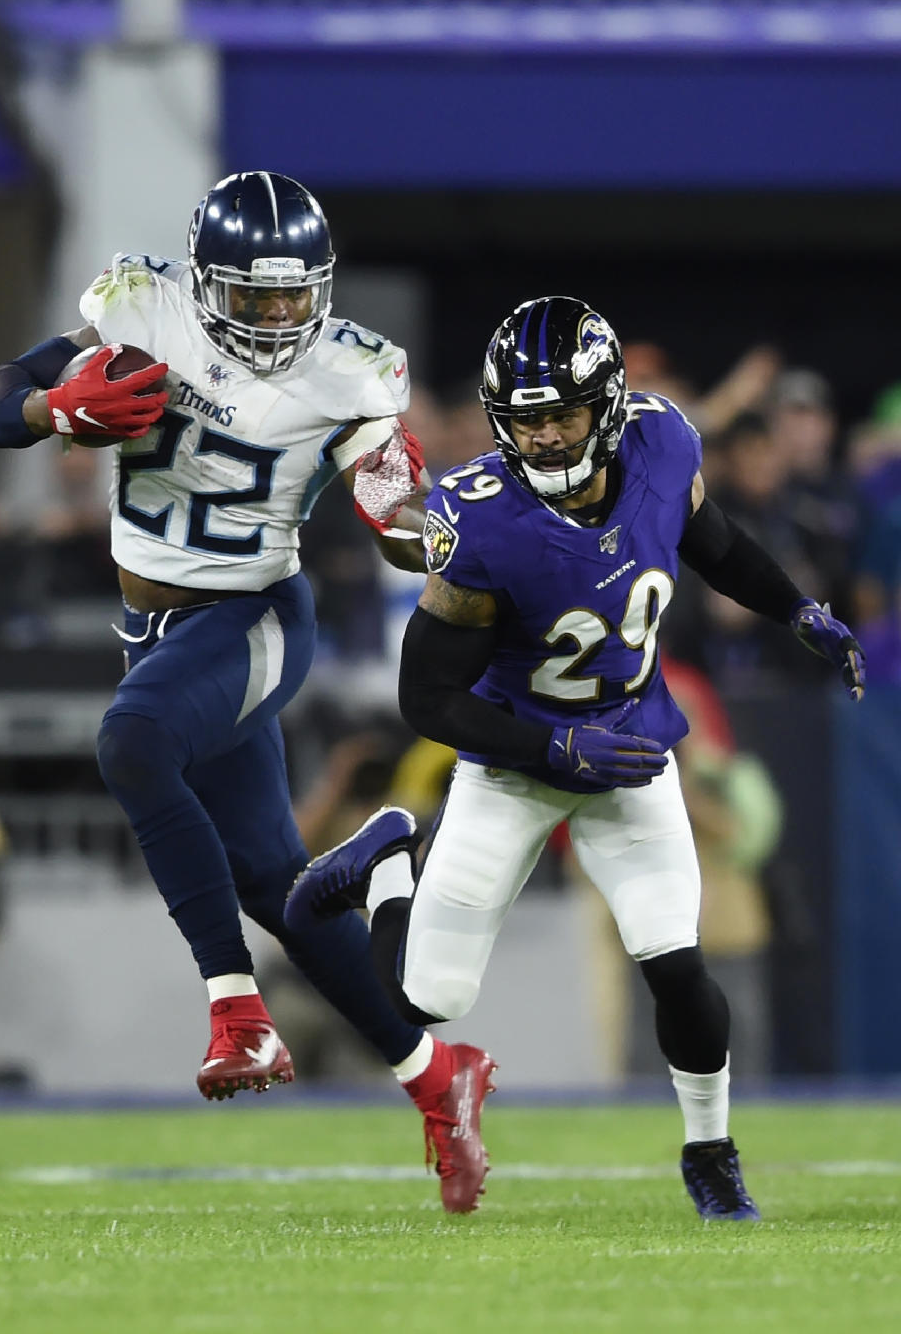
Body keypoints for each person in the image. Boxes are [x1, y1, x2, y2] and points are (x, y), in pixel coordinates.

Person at [0, 170, 495, 1215]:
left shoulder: (349, 369)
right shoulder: (142, 305)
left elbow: (386, 488)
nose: (276, 317)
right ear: (208, 283)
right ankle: (440, 1077)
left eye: (295, 296)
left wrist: (403, 512)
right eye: (254, 297)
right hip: (155, 626)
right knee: (278, 884)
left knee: (132, 743)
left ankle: (236, 1007)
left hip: (252, 615)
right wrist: (48, 403)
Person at [285, 295, 865, 1222]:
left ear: (609, 404)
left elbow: (711, 542)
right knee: (421, 1001)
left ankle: (710, 1152)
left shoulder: (665, 445)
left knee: (677, 961)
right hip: (515, 762)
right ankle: (390, 864)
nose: (548, 436)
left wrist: (796, 607)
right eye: (527, 419)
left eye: (564, 413)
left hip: (630, 750)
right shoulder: (481, 520)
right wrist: (555, 743)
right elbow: (425, 698)